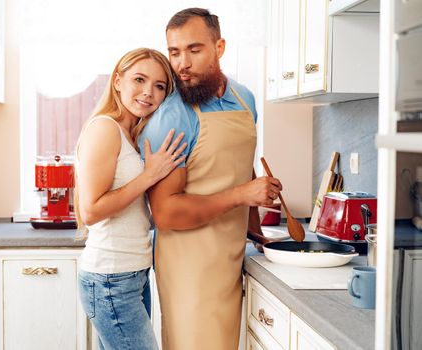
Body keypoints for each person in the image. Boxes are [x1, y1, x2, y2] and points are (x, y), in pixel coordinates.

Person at [137, 8, 283, 350]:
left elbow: (238, 165)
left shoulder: (245, 99)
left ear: (219, 48)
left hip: (231, 255)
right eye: (174, 52)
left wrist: (258, 235)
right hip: (189, 266)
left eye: (194, 49)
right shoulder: (171, 116)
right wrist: (243, 194)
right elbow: (166, 214)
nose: (182, 64)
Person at [75, 48, 187, 350]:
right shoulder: (104, 129)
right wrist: (149, 176)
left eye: (160, 86)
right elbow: (91, 211)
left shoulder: (132, 133)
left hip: (132, 274)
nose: (148, 92)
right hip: (110, 279)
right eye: (139, 80)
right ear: (117, 81)